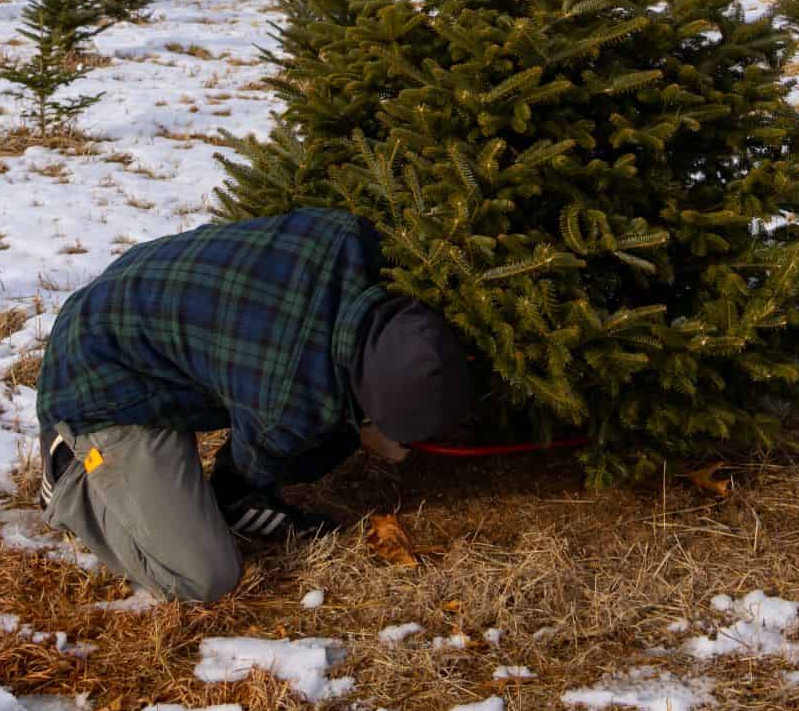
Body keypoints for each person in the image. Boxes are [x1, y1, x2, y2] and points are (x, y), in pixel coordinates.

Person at [35, 208, 474, 602]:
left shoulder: (352, 238)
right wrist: (248, 491)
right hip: (96, 376)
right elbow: (245, 472)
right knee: (204, 576)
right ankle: (68, 470)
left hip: (136, 290)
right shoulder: (287, 398)